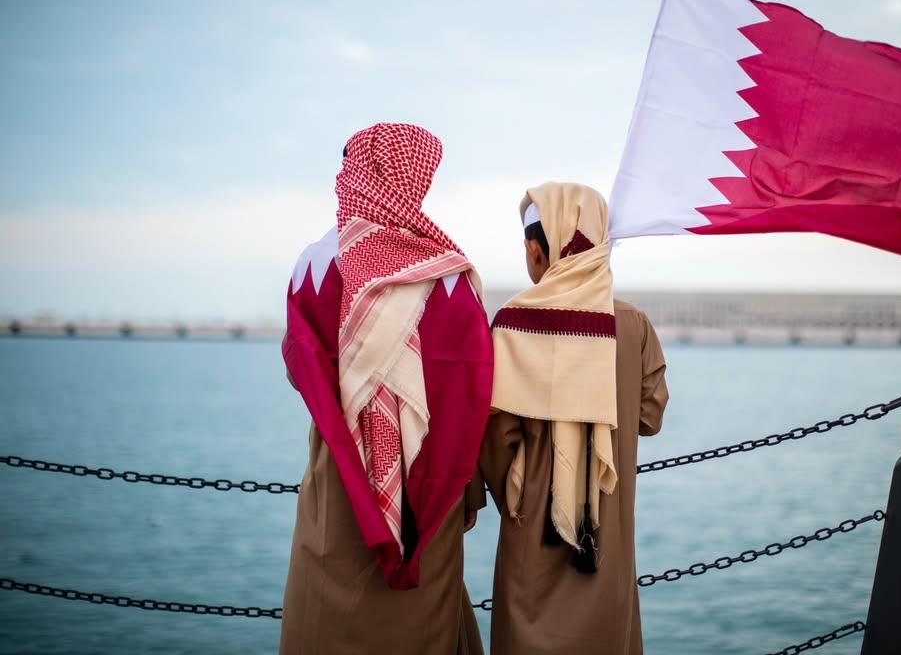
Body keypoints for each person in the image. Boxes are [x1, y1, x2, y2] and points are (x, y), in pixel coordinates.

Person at [279, 123, 494, 655]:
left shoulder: (315, 263)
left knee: (329, 608)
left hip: (338, 473)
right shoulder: (451, 275)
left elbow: (299, 369)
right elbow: (472, 394)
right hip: (434, 482)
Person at [478, 182, 669, 654]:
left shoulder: (511, 326)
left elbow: (496, 442)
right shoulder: (633, 324)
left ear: (537, 251)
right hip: (608, 539)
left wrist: (523, 492)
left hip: (533, 538)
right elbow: (649, 416)